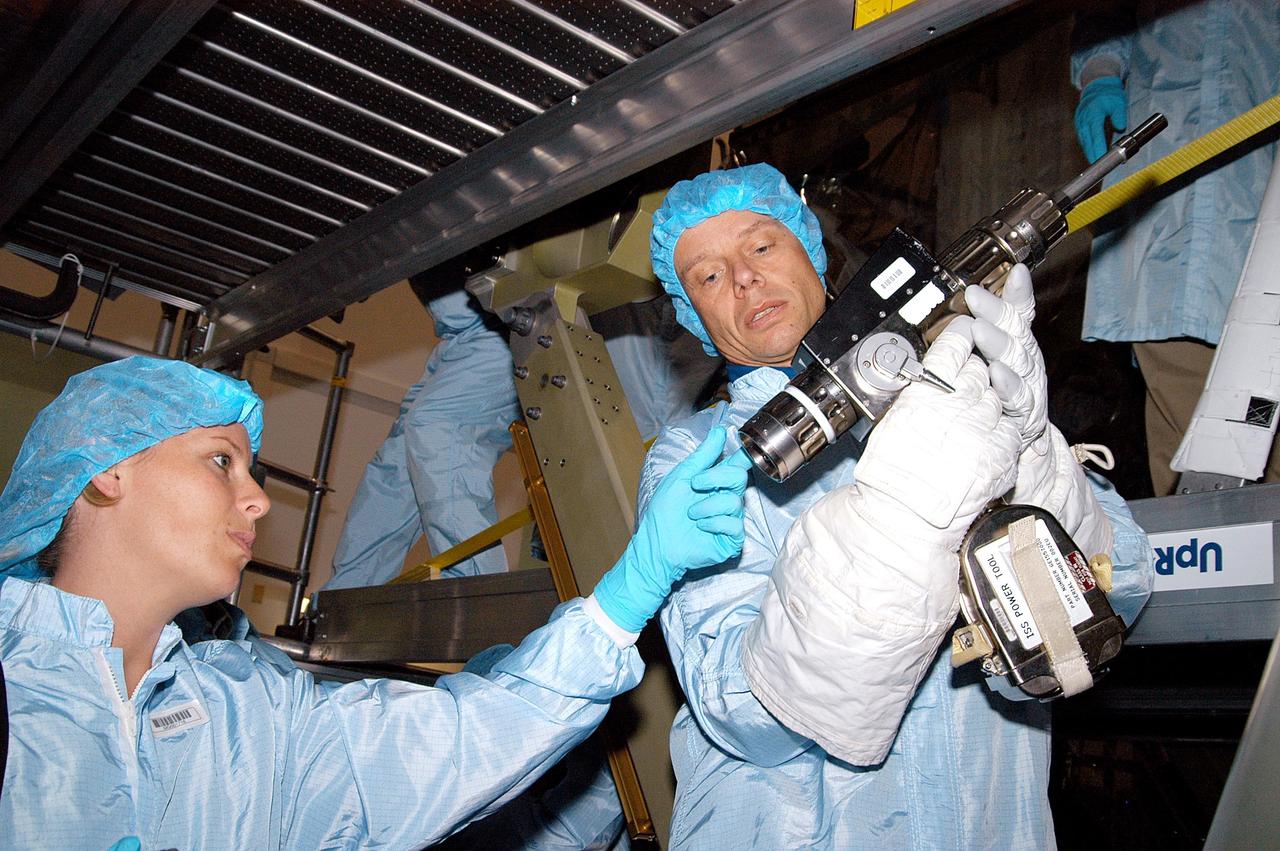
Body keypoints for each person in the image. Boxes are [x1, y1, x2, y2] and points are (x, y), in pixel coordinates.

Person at [0, 356, 750, 848]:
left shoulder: (250, 712)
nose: (258, 500)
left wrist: (626, 594)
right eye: (221, 461)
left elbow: (454, 746)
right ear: (108, 471)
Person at [639, 164, 1154, 848]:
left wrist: (1031, 454)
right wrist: (904, 518)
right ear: (694, 315)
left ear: (812, 254)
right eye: (708, 276)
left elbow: (1117, 592)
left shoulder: (957, 390)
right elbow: (743, 714)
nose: (743, 279)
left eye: (761, 246)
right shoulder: (696, 459)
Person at [325, 272, 719, 589]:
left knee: (439, 429)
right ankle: (342, 600)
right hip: (476, 320)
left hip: (523, 308)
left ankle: (475, 600)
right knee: (401, 458)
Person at [1071, 1, 1280, 495]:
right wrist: (1101, 71)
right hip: (1165, 234)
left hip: (1259, 205)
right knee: (1192, 474)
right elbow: (1104, 16)